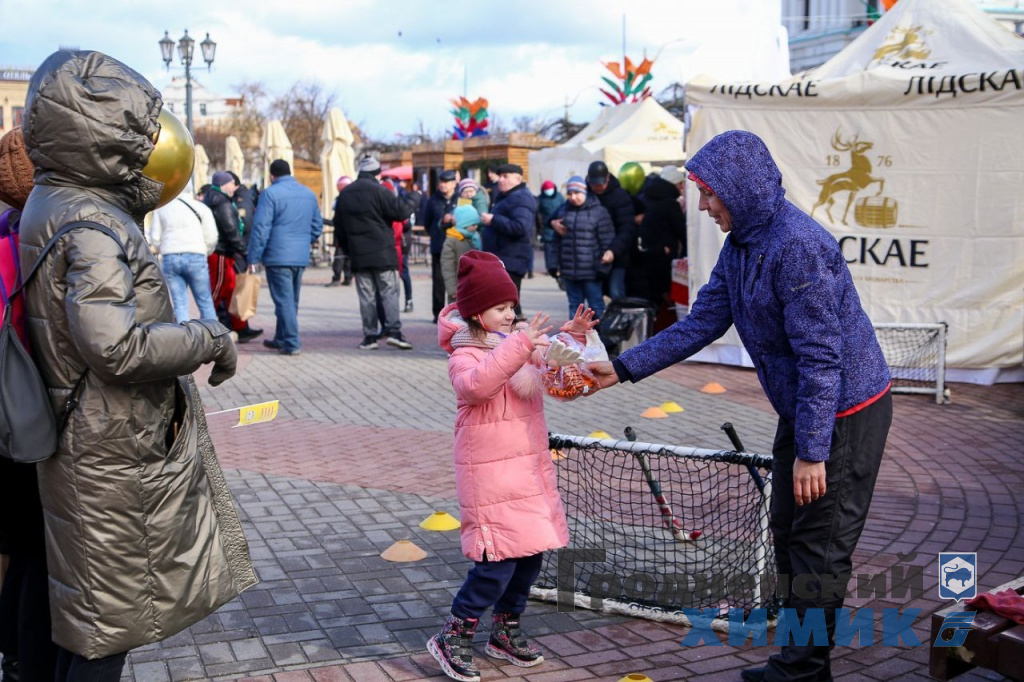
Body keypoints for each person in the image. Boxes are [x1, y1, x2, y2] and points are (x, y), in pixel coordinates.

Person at [588, 130, 893, 682]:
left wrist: (812, 452)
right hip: (804, 408)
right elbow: (704, 320)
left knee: (819, 545)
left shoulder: (796, 245)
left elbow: (823, 360)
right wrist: (621, 366)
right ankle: (801, 657)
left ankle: (803, 671)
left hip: (844, 411)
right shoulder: (744, 243)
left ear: (741, 189)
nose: (702, 207)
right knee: (785, 526)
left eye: (708, 194)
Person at [18, 49, 256, 682]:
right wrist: (207, 337)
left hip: (83, 432)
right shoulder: (92, 222)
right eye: (136, 127)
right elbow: (115, 347)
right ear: (103, 131)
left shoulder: (51, 199)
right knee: (111, 620)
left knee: (80, 610)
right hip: (109, 442)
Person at [431, 251, 597, 682]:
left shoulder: (520, 345)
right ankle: (455, 634)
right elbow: (478, 386)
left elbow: (560, 381)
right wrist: (521, 344)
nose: (509, 315)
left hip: (527, 469)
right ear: (475, 312)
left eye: (511, 307)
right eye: (500, 308)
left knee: (530, 555)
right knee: (497, 561)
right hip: (489, 474)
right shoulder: (463, 353)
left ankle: (505, 630)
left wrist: (571, 342)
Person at [0, 126, 59, 682]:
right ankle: (25, 660)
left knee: (19, 549)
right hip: (26, 418)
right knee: (38, 551)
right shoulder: (32, 245)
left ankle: (11, 650)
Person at [334, 154, 416, 350]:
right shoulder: (380, 191)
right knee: (389, 293)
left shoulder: (345, 194)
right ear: (376, 174)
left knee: (366, 296)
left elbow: (339, 228)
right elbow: (401, 212)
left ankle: (369, 336)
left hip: (358, 255)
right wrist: (415, 197)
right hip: (383, 253)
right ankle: (394, 332)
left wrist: (348, 251)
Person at [247, 159, 323, 356]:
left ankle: (291, 341)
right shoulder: (308, 194)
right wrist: (303, 241)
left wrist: (253, 257)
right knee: (291, 301)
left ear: (272, 175)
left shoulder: (270, 193)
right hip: (300, 256)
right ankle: (281, 337)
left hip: (277, 255)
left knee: (284, 301)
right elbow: (317, 227)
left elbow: (261, 228)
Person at [204, 169, 262, 342]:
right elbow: (230, 229)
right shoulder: (221, 201)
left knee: (230, 289)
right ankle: (206, 324)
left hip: (225, 251)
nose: (234, 187)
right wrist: (243, 251)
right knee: (218, 289)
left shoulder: (216, 198)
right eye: (231, 183)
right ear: (223, 184)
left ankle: (240, 327)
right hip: (222, 252)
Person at [148, 185, 220, 323]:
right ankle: (214, 337)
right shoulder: (201, 208)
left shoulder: (162, 209)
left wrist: (162, 247)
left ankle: (184, 338)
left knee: (179, 302)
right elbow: (211, 236)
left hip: (171, 256)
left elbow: (155, 238)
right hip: (196, 255)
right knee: (205, 301)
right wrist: (205, 250)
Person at [548, 175, 615, 321]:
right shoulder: (563, 212)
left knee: (596, 307)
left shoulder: (599, 212)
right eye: (570, 193)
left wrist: (603, 268)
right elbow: (555, 242)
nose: (573, 197)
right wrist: (553, 265)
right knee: (574, 307)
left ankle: (601, 339)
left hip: (591, 271)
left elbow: (607, 241)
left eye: (577, 193)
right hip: (569, 272)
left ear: (585, 192)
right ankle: (576, 341)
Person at [479, 163, 537, 318]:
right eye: (500, 177)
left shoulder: (521, 197)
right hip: (503, 258)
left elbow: (521, 227)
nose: (501, 180)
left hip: (512, 259)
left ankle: (518, 336)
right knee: (504, 303)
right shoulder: (507, 196)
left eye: (506, 176)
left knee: (508, 306)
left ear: (518, 179)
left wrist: (493, 220)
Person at [632, 165, 687, 311]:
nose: (682, 188)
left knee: (651, 300)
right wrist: (684, 255)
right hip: (666, 259)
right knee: (666, 302)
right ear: (674, 184)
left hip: (646, 255)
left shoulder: (645, 196)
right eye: (680, 184)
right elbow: (682, 232)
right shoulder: (671, 204)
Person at [585, 160, 636, 300]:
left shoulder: (620, 196)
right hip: (591, 256)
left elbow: (627, 228)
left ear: (608, 178)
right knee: (594, 298)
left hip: (617, 255)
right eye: (594, 184)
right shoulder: (584, 194)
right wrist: (553, 221)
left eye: (601, 183)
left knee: (616, 293)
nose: (598, 187)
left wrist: (613, 250)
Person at [422, 169, 458, 322]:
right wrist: (436, 233)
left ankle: (456, 312)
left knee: (456, 281)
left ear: (453, 183)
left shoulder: (460, 198)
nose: (443, 185)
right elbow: (426, 222)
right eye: (441, 182)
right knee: (438, 281)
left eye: (446, 182)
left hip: (458, 246)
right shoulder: (433, 200)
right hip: (439, 246)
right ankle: (437, 313)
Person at [440, 204, 482, 304]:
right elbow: (447, 267)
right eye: (473, 224)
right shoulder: (452, 240)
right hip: (458, 289)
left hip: (474, 287)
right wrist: (452, 289)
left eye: (477, 224)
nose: (476, 227)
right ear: (464, 224)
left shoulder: (474, 238)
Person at [326, 175, 354, 287]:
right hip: (350, 233)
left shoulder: (340, 200)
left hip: (341, 234)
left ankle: (337, 278)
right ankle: (348, 277)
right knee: (347, 257)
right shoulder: (353, 199)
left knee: (339, 257)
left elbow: (336, 221)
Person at [536, 179, 565, 284]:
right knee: (548, 251)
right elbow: (538, 214)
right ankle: (550, 268)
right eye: (547, 190)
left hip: (560, 227)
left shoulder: (559, 197)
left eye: (550, 189)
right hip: (547, 228)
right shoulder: (540, 199)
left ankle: (560, 268)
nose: (549, 191)